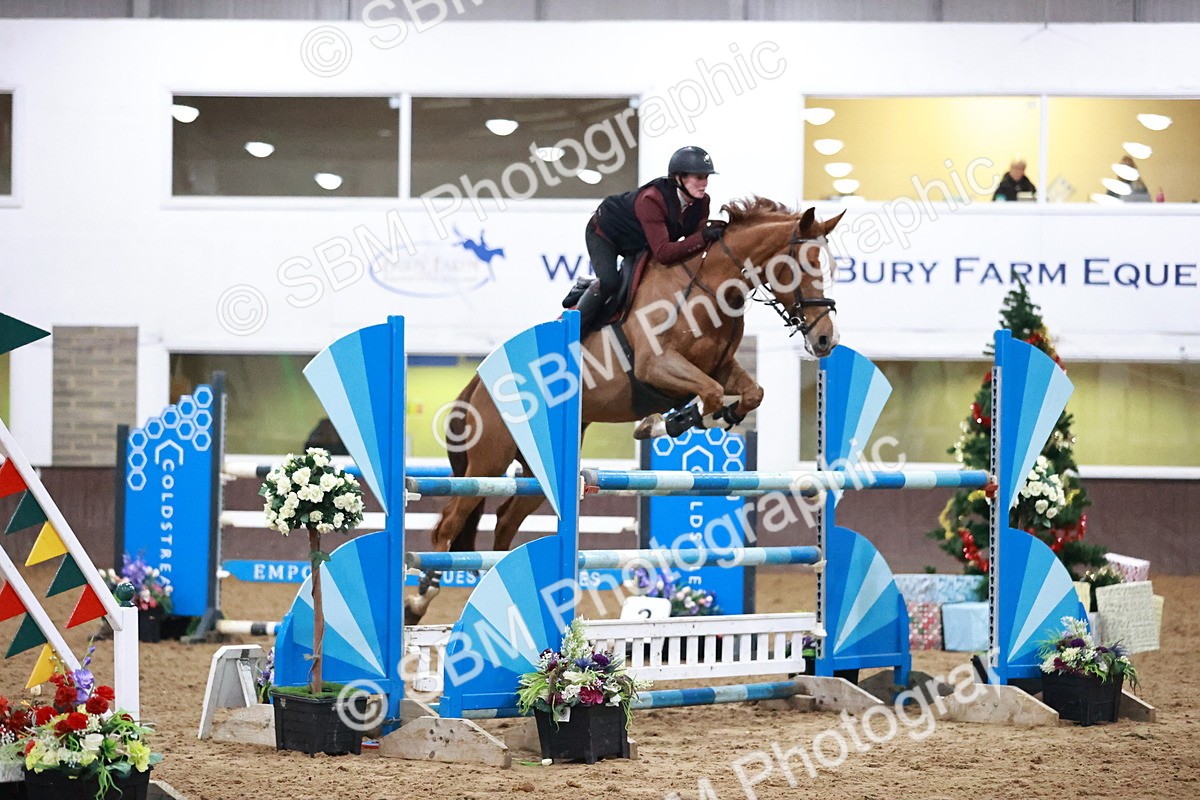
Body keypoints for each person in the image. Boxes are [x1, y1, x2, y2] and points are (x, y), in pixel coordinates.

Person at [574, 145, 725, 331]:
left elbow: (694, 242)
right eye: (698, 177)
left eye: (706, 177)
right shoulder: (652, 199)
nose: (704, 183)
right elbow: (663, 253)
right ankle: (574, 329)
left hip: (639, 241)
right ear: (679, 178)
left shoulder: (702, 202)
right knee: (610, 282)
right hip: (605, 233)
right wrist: (703, 237)